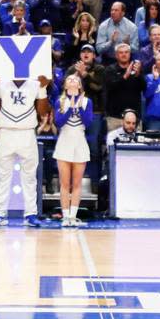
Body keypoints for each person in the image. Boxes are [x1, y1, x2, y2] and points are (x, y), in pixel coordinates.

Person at [0, 74, 51, 228]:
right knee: (2, 176)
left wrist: (42, 89)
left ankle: (31, 214)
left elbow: (42, 112)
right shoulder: (2, 81)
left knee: (29, 177)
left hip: (27, 132)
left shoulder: (35, 83)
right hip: (6, 132)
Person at [53, 73, 93, 227]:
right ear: (65, 85)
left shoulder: (87, 101)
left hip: (79, 142)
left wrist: (78, 105)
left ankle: (73, 216)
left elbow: (88, 122)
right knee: (64, 183)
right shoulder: (60, 101)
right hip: (64, 142)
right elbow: (59, 122)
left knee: (76, 183)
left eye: (76, 79)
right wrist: (71, 107)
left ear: (80, 85)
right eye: (69, 79)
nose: (73, 80)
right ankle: (65, 216)